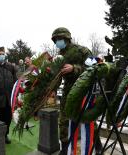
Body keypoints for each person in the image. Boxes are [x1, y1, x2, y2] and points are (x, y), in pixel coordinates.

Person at [51, 27, 92, 155]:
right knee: (64, 121)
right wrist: (53, 88)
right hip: (68, 92)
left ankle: (96, 145)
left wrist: (74, 68)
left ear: (67, 38)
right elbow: (57, 74)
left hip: (83, 91)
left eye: (60, 38)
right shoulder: (59, 55)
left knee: (88, 120)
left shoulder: (82, 51)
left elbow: (93, 68)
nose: (58, 41)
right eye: (56, 39)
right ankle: (65, 148)